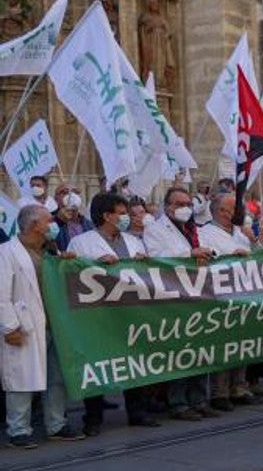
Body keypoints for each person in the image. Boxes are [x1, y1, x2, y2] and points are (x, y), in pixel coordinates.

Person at [69, 192, 156, 434]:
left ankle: (137, 411)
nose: (126, 217)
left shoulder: (133, 241)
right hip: (98, 315)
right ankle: (93, 417)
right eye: (121, 213)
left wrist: (145, 262)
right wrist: (96, 265)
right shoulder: (82, 243)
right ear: (107, 216)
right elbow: (72, 275)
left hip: (130, 311)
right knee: (98, 362)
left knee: (135, 360)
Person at [2, 204, 85, 448]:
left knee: (56, 378)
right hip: (24, 325)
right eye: (48, 221)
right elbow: (1, 294)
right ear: (34, 225)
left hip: (54, 325)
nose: (52, 226)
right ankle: (18, 429)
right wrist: (9, 327)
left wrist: (66, 262)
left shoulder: (51, 250)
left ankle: (56, 424)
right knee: (20, 377)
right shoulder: (7, 252)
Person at [143, 187, 218, 422]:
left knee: (202, 349)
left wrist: (208, 252)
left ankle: (199, 399)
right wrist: (190, 252)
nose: (185, 207)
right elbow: (157, 256)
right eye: (179, 203)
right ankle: (178, 402)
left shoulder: (194, 228)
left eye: (187, 203)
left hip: (199, 293)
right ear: (167, 206)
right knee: (181, 350)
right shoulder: (154, 230)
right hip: (174, 296)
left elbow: (208, 250)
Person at [197, 193, 257, 411]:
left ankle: (239, 387)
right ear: (223, 211)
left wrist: (252, 239)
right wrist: (231, 254)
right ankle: (219, 392)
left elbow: (262, 257)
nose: (240, 213)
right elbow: (206, 258)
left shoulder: (240, 233)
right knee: (222, 345)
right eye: (235, 209)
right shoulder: (204, 233)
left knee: (242, 343)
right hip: (219, 298)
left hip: (244, 296)